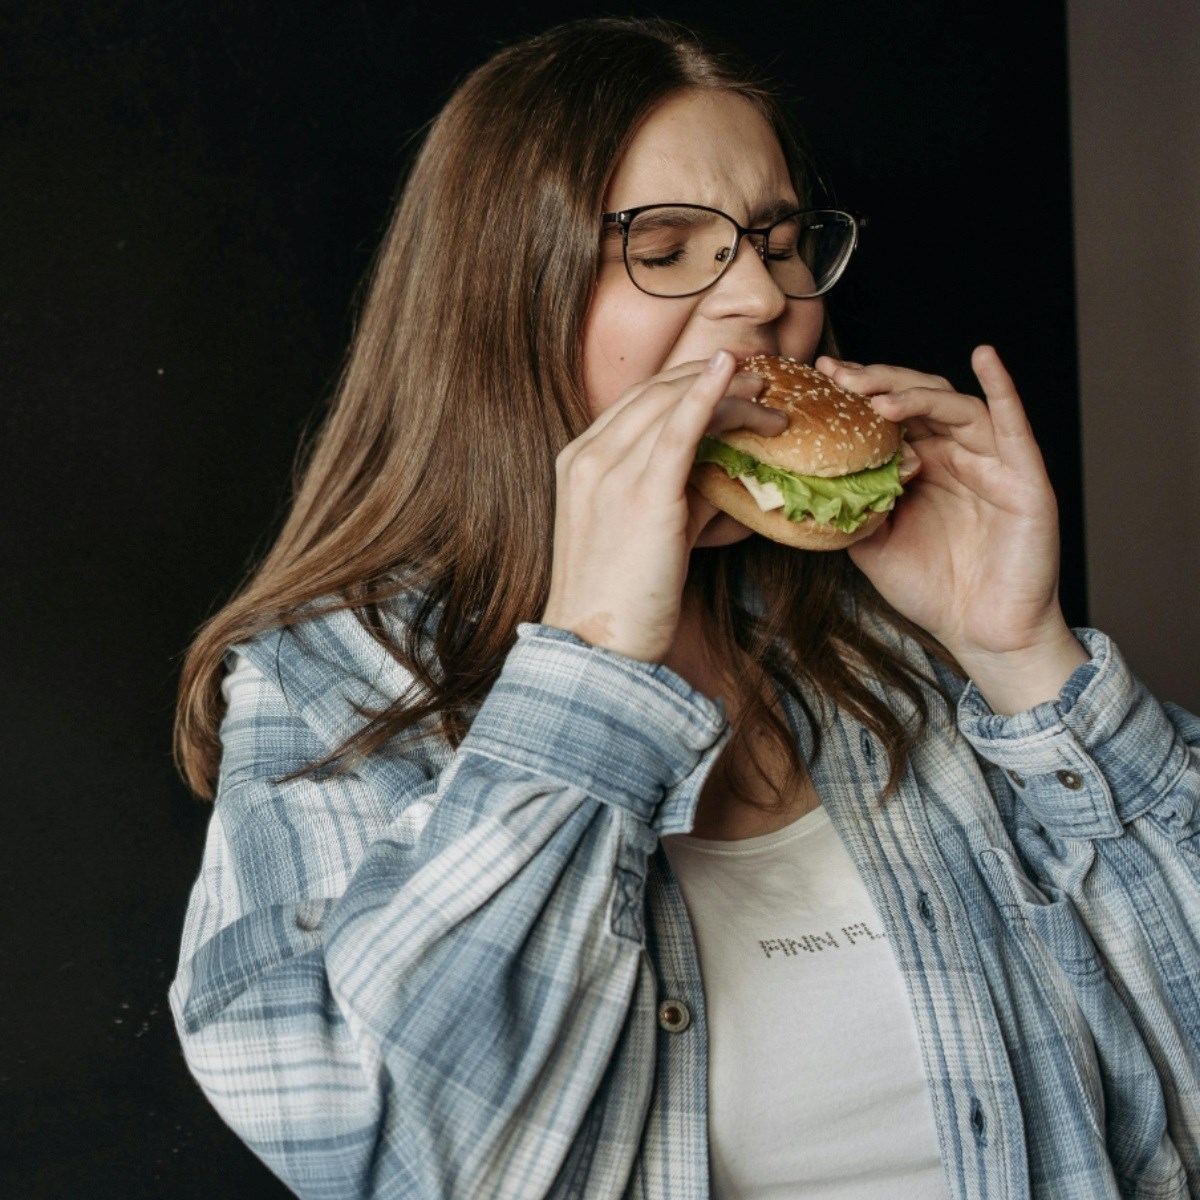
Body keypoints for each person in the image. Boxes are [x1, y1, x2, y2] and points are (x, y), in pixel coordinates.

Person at [169, 16, 1200, 1199]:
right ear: (504, 298)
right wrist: (595, 662)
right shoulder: (329, 679)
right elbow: (396, 1153)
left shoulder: (904, 632)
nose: (764, 296)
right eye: (666, 244)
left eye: (777, 239)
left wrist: (1025, 658)